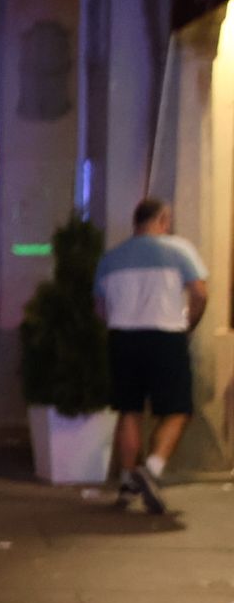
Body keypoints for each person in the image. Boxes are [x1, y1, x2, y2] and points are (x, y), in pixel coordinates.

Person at [95, 198, 209, 514]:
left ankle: (128, 482)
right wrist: (189, 323)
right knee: (177, 409)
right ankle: (151, 470)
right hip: (165, 337)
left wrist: (119, 325)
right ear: (161, 219)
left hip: (122, 338)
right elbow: (200, 293)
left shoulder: (111, 258)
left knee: (129, 410)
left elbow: (100, 308)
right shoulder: (180, 250)